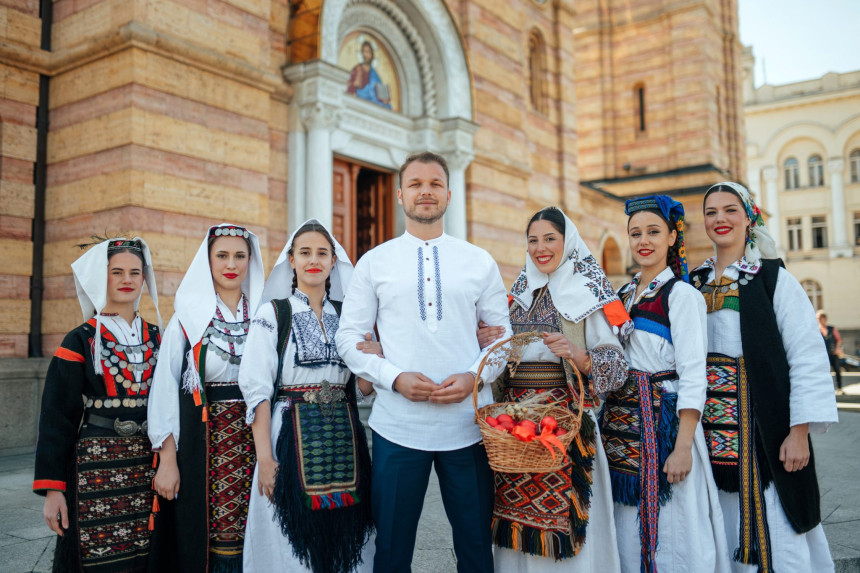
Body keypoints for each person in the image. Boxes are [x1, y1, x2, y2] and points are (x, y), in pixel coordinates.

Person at [335, 151, 512, 573]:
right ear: (400, 195)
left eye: (434, 184)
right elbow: (347, 336)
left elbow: (504, 338)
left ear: (449, 194)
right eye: (415, 184)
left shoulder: (478, 260)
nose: (425, 192)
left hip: (467, 429)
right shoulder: (374, 262)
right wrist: (393, 378)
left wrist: (474, 376)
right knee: (392, 552)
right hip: (398, 428)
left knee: (474, 549)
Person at [690, 182, 838, 573]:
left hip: (764, 427)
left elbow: (806, 358)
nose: (719, 218)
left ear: (749, 217)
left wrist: (799, 431)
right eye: (711, 212)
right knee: (718, 523)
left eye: (730, 210)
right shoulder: (694, 284)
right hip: (709, 431)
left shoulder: (774, 280)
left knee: (776, 527)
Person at [490, 207, 630, 572]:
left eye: (550, 238)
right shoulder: (519, 294)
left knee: (566, 525)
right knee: (516, 519)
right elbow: (500, 361)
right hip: (517, 429)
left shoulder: (587, 293)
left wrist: (579, 355)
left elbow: (617, 369)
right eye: (533, 240)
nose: (541, 248)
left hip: (566, 425)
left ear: (568, 242)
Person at [239, 220, 375, 573]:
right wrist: (265, 460)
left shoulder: (347, 317)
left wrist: (377, 356)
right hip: (289, 434)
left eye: (322, 253)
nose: (313, 260)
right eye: (305, 253)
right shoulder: (274, 314)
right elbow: (258, 391)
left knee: (345, 533)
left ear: (333, 262)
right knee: (290, 543)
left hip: (343, 436)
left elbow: (361, 388)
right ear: (292, 260)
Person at [602, 196, 729, 573]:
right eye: (635, 233)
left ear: (673, 238)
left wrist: (683, 447)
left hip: (665, 428)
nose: (644, 240)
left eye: (654, 232)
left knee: (675, 530)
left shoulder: (682, 296)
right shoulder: (621, 296)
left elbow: (693, 375)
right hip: (623, 430)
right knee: (626, 524)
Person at [34, 237, 162, 572]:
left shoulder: (158, 336)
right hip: (95, 469)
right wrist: (53, 490)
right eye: (116, 271)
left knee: (148, 554)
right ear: (99, 278)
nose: (127, 279)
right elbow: (56, 416)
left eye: (135, 272)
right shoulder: (80, 340)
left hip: (148, 467)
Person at [147, 224, 265, 572]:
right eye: (223, 255)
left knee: (259, 530)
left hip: (258, 441)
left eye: (240, 256)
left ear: (250, 261)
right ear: (208, 261)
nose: (232, 264)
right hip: (204, 444)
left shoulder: (265, 315)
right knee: (209, 535)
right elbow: (166, 390)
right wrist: (167, 461)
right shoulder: (187, 319)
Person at [346, 41, 391, 108]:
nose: (366, 54)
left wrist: (385, 98)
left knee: (388, 107)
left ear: (372, 54)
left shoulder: (374, 73)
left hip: (374, 100)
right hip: (361, 96)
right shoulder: (358, 69)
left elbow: (380, 89)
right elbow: (351, 86)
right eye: (364, 51)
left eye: (368, 52)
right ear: (362, 53)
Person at [817, 311, 844, 393]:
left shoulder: (831, 328)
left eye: (822, 318)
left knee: (837, 370)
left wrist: (837, 348)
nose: (820, 320)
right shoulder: (816, 329)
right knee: (824, 372)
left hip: (833, 353)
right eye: (818, 318)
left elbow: (838, 339)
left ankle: (839, 388)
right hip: (822, 355)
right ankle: (825, 389)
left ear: (825, 319)